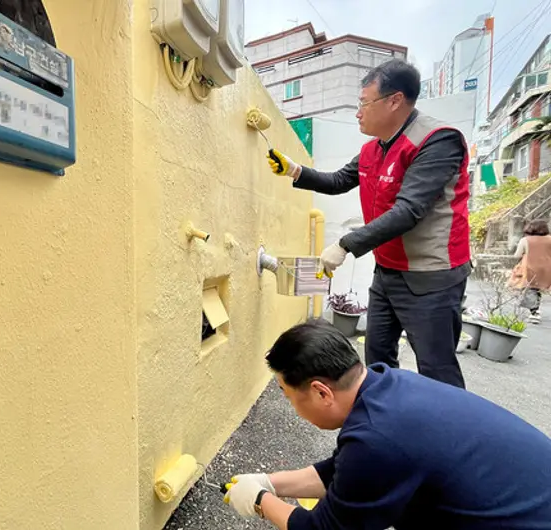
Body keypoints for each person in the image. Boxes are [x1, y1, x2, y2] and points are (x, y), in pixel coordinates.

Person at [223, 319, 551, 529]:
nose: (292, 408)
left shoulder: (377, 440)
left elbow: (323, 529)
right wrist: (268, 481)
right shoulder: (387, 384)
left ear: (321, 392)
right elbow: (343, 471)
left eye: (288, 395)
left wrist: (259, 502)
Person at [267, 59, 470, 389]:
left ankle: (450, 435)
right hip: (388, 271)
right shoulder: (372, 149)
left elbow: (409, 211)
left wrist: (345, 244)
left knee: (436, 367)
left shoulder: (437, 141)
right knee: (377, 356)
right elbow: (337, 181)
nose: (358, 112)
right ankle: (386, 424)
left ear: (394, 100)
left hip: (431, 275)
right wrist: (294, 170)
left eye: (364, 102)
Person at [511, 219, 551, 324]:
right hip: (547, 269)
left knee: (531, 289)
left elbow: (517, 255)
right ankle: (535, 308)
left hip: (530, 268)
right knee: (537, 289)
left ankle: (534, 311)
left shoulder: (525, 240)